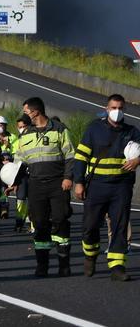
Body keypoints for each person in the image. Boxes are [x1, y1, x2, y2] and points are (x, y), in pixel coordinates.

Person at [72, 94, 140, 280]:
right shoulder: (94, 129)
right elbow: (81, 157)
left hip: (121, 186)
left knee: (119, 225)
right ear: (107, 108)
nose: (117, 111)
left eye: (120, 108)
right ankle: (91, 254)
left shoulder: (132, 131)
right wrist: (78, 182)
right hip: (97, 185)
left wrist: (137, 160)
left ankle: (117, 266)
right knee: (90, 225)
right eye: (113, 107)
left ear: (124, 109)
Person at [15, 97, 75, 277]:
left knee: (60, 220)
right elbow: (20, 161)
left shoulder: (60, 129)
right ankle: (42, 265)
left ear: (35, 112)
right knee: (39, 223)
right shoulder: (25, 134)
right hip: (36, 185)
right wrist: (14, 182)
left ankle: (64, 264)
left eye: (26, 112)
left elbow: (70, 156)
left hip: (58, 183)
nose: (24, 115)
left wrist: (68, 177)